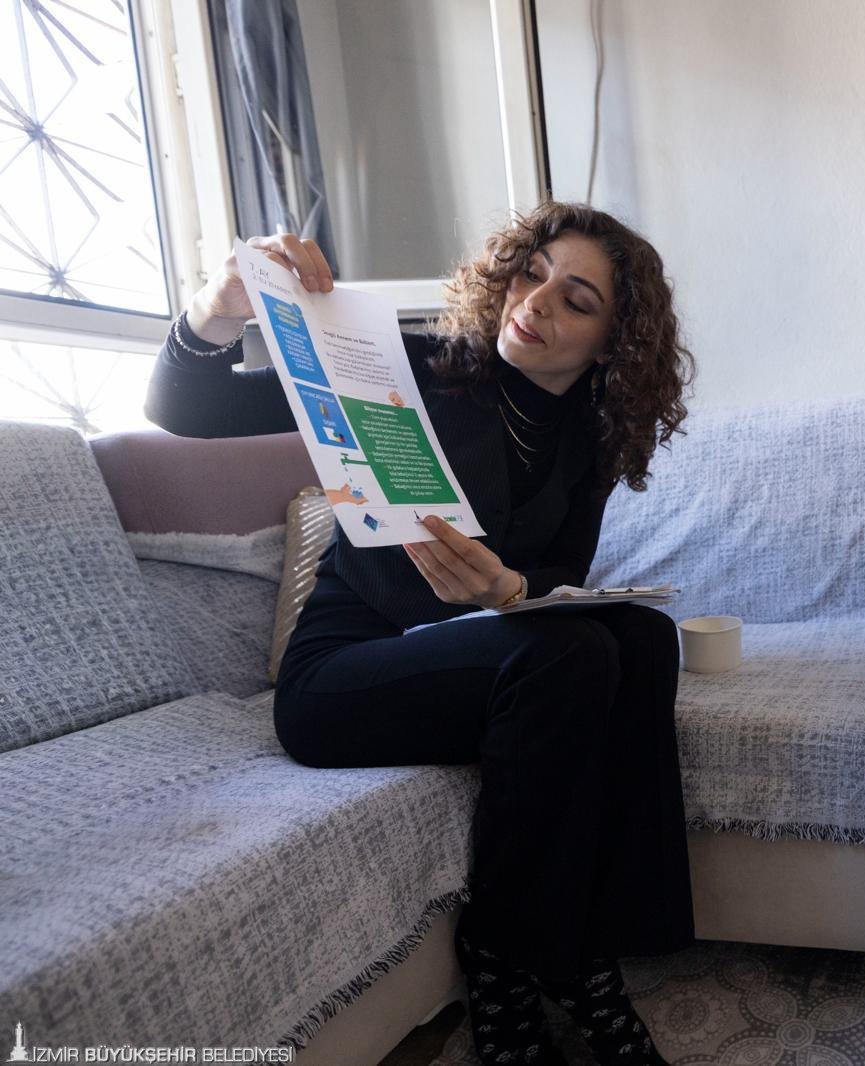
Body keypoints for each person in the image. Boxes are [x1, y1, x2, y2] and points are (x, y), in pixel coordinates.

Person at [145, 202, 696, 1066]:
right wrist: (216, 311)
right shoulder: (413, 368)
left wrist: (509, 589)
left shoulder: (588, 436)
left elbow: (558, 575)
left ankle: (589, 950)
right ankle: (508, 957)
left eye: (576, 299)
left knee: (642, 638)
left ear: (610, 344)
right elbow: (188, 408)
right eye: (533, 272)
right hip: (343, 675)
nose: (537, 300)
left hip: (473, 663)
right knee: (573, 652)